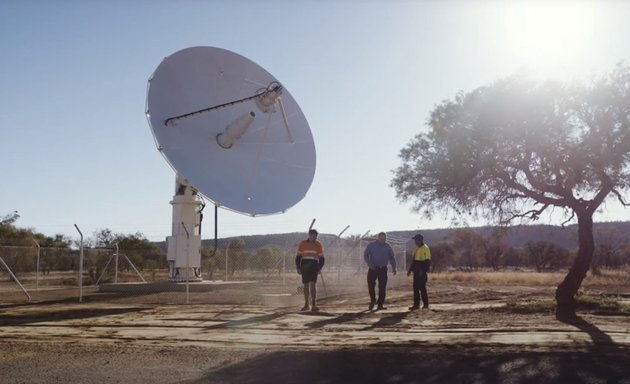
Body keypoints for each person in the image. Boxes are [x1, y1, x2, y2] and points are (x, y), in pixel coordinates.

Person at [363, 232, 397, 310]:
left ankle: (380, 304)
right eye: (381, 238)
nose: (383, 240)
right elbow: (365, 255)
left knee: (382, 287)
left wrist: (394, 268)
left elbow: (392, 257)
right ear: (378, 238)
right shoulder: (371, 245)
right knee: (371, 285)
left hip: (383, 269)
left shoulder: (387, 246)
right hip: (373, 269)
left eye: (384, 238)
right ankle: (373, 300)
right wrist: (370, 264)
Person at [295, 229, 325, 312]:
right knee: (306, 285)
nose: (314, 237)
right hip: (305, 264)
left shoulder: (318, 244)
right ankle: (306, 304)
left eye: (315, 236)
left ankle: (314, 304)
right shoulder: (303, 243)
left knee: (313, 284)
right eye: (313, 235)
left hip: (314, 264)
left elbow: (321, 258)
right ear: (309, 235)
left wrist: (319, 267)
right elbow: (298, 257)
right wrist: (298, 267)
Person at [407, 233, 431, 310]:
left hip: (421, 272)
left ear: (420, 240)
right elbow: (414, 261)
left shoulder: (425, 248)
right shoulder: (417, 248)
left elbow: (427, 262)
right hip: (416, 271)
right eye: (415, 240)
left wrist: (423, 271)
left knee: (422, 288)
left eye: (416, 240)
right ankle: (416, 305)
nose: (415, 242)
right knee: (415, 288)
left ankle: (426, 304)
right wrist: (410, 270)